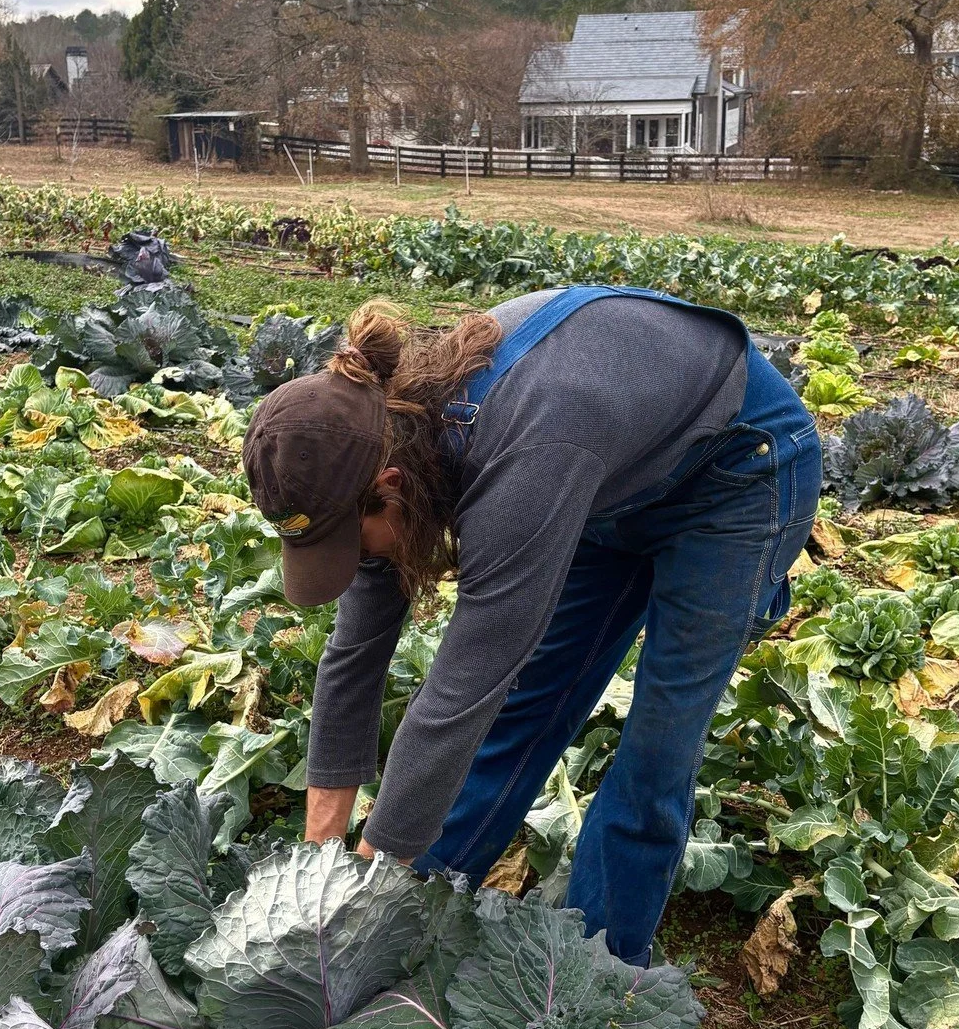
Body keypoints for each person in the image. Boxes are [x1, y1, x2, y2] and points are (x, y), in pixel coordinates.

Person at [242, 286, 821, 966]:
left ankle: (593, 975)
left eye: (355, 543)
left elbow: (463, 693)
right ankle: (420, 903)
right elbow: (353, 658)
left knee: (657, 746)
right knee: (532, 705)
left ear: (391, 485)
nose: (360, 560)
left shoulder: (522, 459)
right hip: (611, 467)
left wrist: (360, 894)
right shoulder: (375, 455)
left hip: (739, 465)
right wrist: (319, 869)